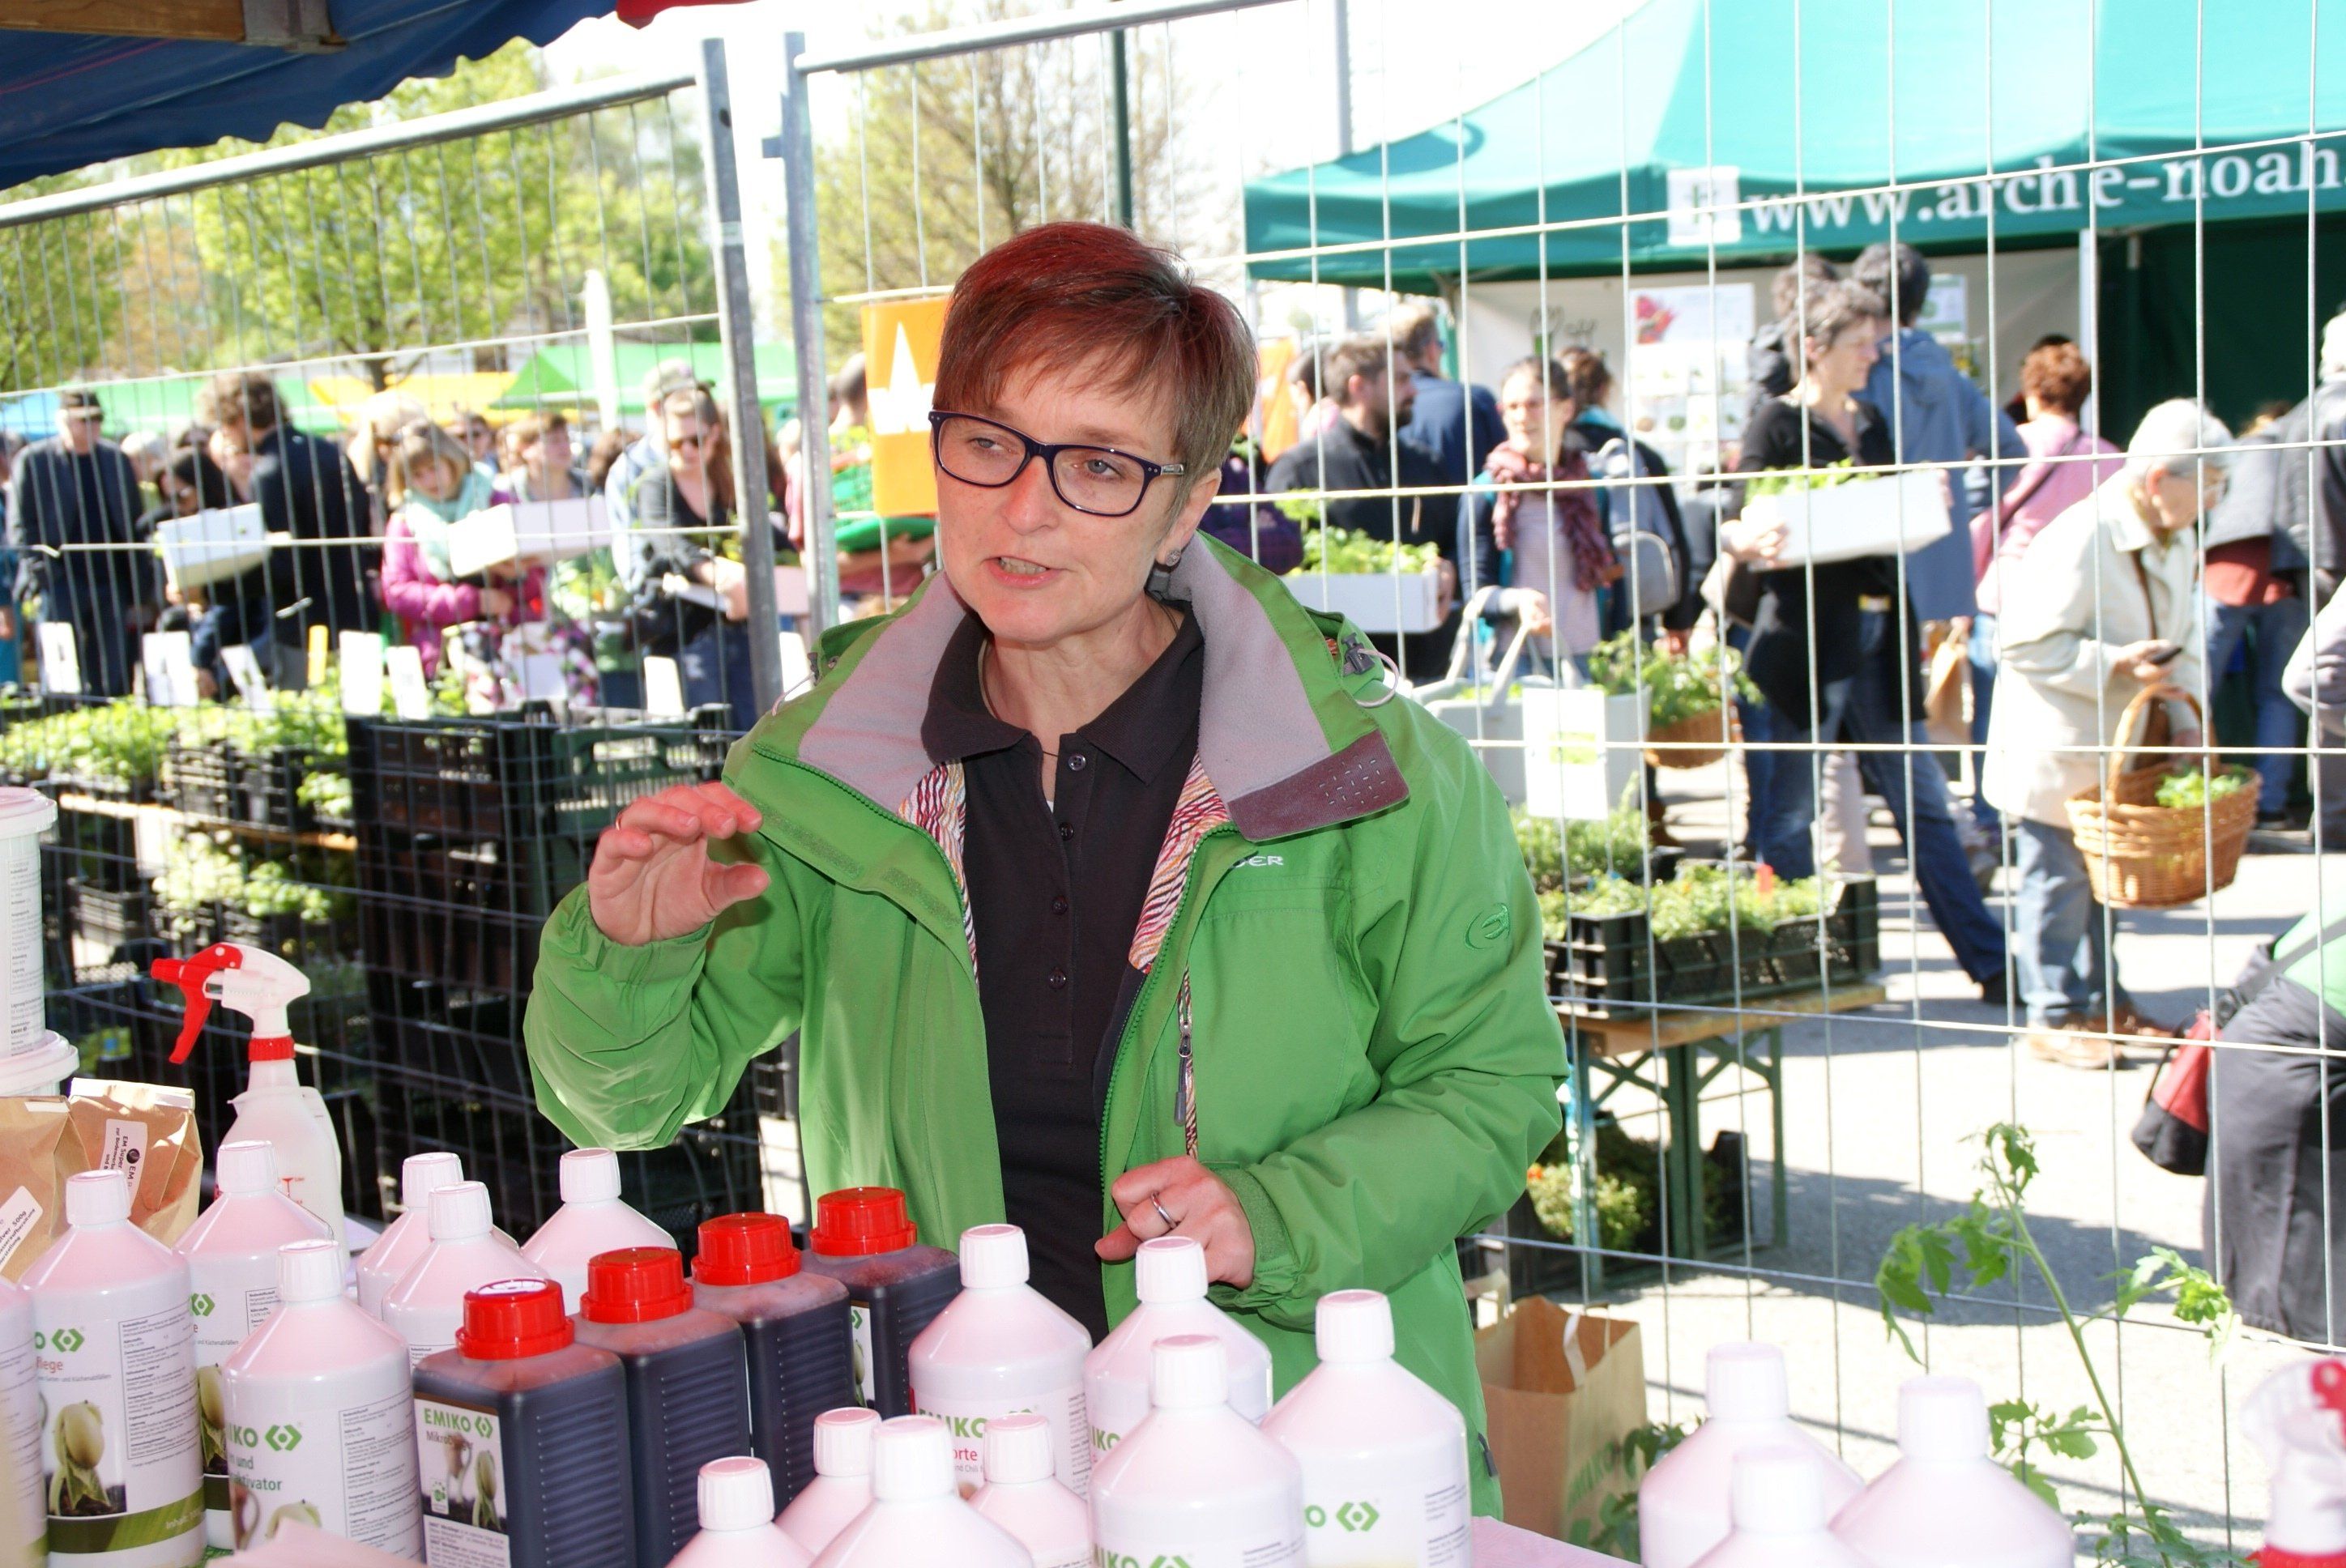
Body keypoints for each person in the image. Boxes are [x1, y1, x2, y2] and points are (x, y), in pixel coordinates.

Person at [523, 222, 1561, 1518]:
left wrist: (1279, 1215)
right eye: (990, 443)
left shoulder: (1361, 773)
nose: (1025, 508)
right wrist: (629, 954)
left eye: (1101, 466)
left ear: (1187, 502)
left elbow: (1492, 1083)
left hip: (1292, 1472)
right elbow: (619, 1108)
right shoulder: (826, 774)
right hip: (946, 1478)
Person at [1723, 281, 2007, 995]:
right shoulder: (1775, 425)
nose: (1873, 355)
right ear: (1813, 349)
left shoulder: (1873, 420)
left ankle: (1993, 963)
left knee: (1925, 807)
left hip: (1881, 641)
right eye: (1859, 344)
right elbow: (1738, 515)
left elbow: (1886, 513)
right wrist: (1748, 536)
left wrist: (1921, 499)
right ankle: (1791, 966)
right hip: (1805, 647)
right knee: (1789, 815)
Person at [1983, 399, 2233, 1068]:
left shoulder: (2178, 537)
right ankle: (2051, 1015)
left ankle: (2105, 1004)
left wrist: (2189, 724)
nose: (2217, 498)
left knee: (2105, 886)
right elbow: (2023, 644)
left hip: (2119, 752)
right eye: (2210, 482)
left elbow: (2187, 642)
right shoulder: (2082, 535)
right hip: (2058, 750)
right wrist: (2115, 662)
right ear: (2158, 478)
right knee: (2057, 885)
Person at [1967, 341, 2124, 833]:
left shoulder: (2010, 446)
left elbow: (1982, 521)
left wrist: (1964, 589)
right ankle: (2066, 813)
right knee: (2065, 714)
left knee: (1992, 713)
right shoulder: (2108, 458)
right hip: (2077, 605)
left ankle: (1991, 815)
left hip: (2005, 594)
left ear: (2032, 391)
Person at [1265, 334, 1461, 680]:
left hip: (1426, 665)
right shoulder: (1300, 470)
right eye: (1401, 379)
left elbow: (1453, 543)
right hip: (1336, 674)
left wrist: (1449, 569)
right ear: (1359, 387)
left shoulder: (1426, 464)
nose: (1414, 391)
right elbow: (1276, 570)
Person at [1850, 242, 2024, 625]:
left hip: (1872, 576)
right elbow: (2010, 448)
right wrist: (1952, 504)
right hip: (1944, 580)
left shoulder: (1856, 376)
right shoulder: (1949, 376)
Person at [202, 372, 376, 689]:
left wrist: (210, 590)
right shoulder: (329, 452)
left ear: (237, 419)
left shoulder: (270, 471)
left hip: (303, 627)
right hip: (356, 610)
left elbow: (283, 566)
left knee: (311, 710)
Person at [1461, 356, 1612, 671]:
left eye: (1533, 405)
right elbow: (1474, 593)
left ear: (1565, 409)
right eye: (1512, 407)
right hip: (1513, 662)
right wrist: (1518, 601)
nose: (1521, 417)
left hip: (1586, 658)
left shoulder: (1591, 488)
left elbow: (1613, 575)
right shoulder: (1487, 491)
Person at [623, 387, 760, 731]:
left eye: (696, 440)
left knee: (752, 727)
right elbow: (669, 542)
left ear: (714, 433)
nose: (686, 450)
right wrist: (719, 577)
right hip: (685, 629)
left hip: (740, 625)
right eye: (675, 442)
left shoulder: (730, 481)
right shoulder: (656, 484)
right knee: (708, 733)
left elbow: (766, 535)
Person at [6, 390, 158, 697]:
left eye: (98, 419)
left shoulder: (114, 459)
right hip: (60, 582)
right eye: (84, 419)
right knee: (61, 674)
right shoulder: (35, 460)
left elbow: (134, 519)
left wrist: (137, 578)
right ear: (63, 421)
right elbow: (21, 526)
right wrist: (42, 574)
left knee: (114, 672)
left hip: (110, 579)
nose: (92, 426)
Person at [381, 420, 514, 676]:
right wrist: (473, 602)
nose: (428, 480)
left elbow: (535, 573)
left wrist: (514, 576)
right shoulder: (404, 521)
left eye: (433, 468)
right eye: (417, 474)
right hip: (441, 654)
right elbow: (397, 591)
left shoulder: (497, 501)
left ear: (452, 460)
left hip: (510, 643)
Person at [1389, 303, 1504, 496]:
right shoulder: (1476, 400)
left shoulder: (1380, 407)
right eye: (1441, 345)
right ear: (1432, 350)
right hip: (1472, 510)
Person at [504, 413, 586, 503]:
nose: (565, 446)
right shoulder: (507, 491)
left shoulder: (590, 486)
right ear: (526, 448)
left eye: (567, 439)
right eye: (554, 440)